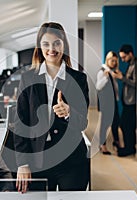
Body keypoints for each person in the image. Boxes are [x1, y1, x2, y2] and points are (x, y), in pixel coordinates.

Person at [13, 22, 90, 193]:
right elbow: (20, 123)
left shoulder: (79, 79)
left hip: (72, 161)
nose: (51, 49)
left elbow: (83, 123)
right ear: (39, 46)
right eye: (46, 44)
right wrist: (23, 163)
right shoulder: (28, 79)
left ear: (64, 45)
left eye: (57, 43)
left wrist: (69, 112)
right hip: (37, 161)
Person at [112, 44, 137, 157]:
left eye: (124, 57)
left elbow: (136, 83)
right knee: (126, 125)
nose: (122, 60)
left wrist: (122, 78)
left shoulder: (135, 65)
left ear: (130, 54)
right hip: (128, 101)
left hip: (131, 102)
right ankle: (129, 147)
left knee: (126, 125)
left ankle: (129, 148)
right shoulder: (130, 64)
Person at [96, 51, 120, 155]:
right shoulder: (102, 71)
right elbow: (98, 86)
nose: (113, 63)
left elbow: (115, 87)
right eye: (112, 60)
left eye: (115, 61)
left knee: (115, 123)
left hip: (113, 102)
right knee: (105, 125)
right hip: (107, 103)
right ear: (107, 60)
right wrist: (106, 77)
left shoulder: (112, 71)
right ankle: (102, 145)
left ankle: (116, 143)